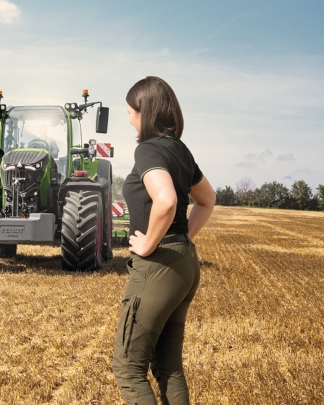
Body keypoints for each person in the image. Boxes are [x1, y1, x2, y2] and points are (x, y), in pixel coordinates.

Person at [112, 76, 215, 405]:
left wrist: (149, 244)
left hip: (158, 267)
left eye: (130, 111)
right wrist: (181, 239)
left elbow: (167, 200)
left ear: (145, 111)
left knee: (128, 368)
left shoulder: (148, 149)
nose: (128, 118)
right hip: (185, 263)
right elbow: (207, 199)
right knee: (168, 367)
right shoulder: (180, 151)